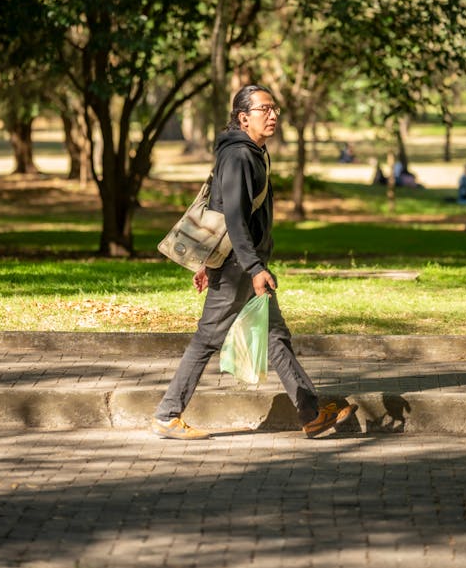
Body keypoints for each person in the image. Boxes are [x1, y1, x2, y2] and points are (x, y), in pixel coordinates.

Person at [152, 84, 357, 440]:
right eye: (265, 109)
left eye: (275, 108)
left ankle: (311, 414)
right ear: (244, 117)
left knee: (276, 337)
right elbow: (232, 217)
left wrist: (212, 261)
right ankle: (168, 414)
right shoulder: (239, 156)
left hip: (242, 262)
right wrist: (254, 268)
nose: (273, 115)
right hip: (238, 266)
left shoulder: (253, 152)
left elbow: (223, 211)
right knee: (207, 339)